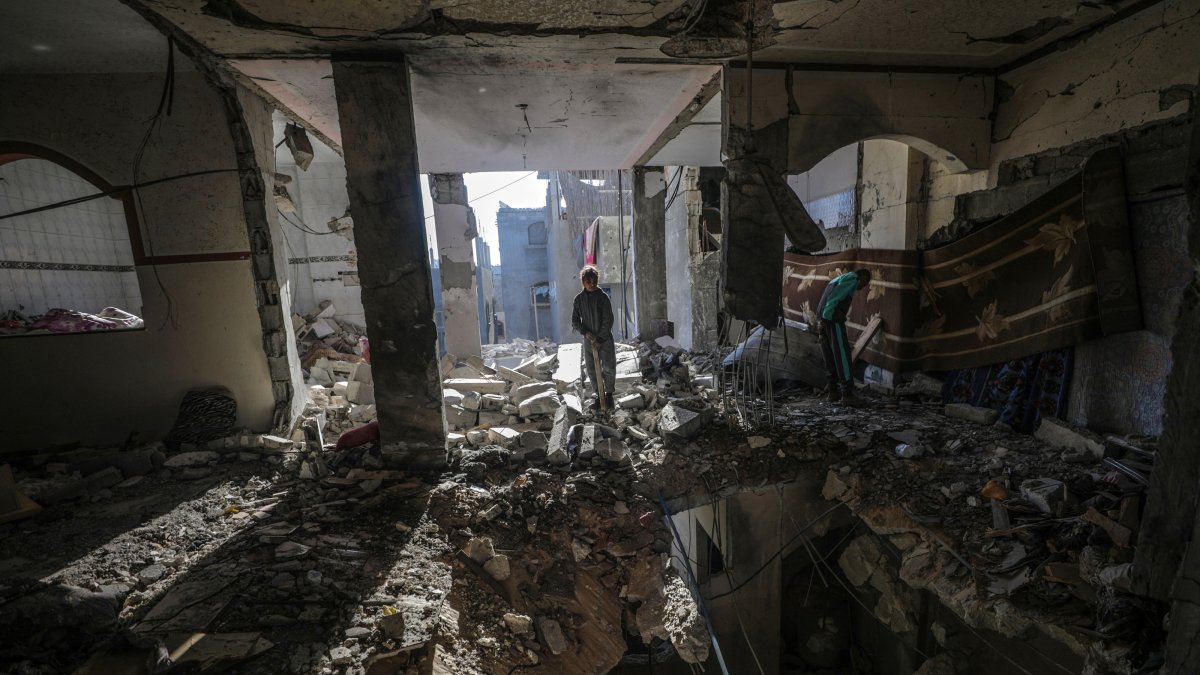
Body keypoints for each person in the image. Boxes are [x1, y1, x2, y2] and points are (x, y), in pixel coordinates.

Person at [817, 269, 872, 404]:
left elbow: (827, 297)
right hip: (832, 318)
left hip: (822, 319)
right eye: (865, 283)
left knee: (829, 356)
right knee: (842, 355)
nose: (864, 286)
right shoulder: (852, 278)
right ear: (862, 277)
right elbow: (834, 298)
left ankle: (832, 392)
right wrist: (826, 317)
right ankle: (847, 394)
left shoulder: (837, 279)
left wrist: (822, 320)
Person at [571, 265, 616, 410]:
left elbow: (608, 319)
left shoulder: (603, 298)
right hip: (589, 341)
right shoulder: (578, 300)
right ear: (583, 282)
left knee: (608, 368)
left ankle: (609, 396)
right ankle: (599, 395)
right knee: (591, 370)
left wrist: (600, 339)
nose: (591, 284)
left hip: (605, 340)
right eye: (588, 281)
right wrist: (585, 333)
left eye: (594, 281)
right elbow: (575, 321)